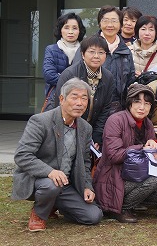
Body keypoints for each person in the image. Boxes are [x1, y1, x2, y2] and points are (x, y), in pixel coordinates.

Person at [12, 78, 103, 231]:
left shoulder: (85, 128)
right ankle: (39, 214)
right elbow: (22, 155)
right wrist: (50, 172)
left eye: (84, 98)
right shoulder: (40, 121)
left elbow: (85, 162)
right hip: (40, 181)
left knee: (93, 216)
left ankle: (54, 204)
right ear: (62, 99)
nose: (79, 103)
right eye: (74, 97)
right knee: (51, 185)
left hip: (65, 184)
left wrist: (87, 186)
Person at [93, 84, 157, 223]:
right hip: (113, 176)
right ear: (129, 103)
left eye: (147, 103)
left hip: (137, 173)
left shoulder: (147, 123)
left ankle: (133, 203)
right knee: (151, 182)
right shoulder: (116, 120)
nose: (142, 107)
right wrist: (142, 147)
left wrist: (156, 147)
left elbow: (150, 149)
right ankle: (120, 209)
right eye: (137, 102)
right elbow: (114, 156)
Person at [46, 35, 114, 149]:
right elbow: (60, 105)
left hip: (92, 128)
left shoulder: (108, 77)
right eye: (92, 52)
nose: (96, 56)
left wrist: (97, 134)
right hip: (68, 127)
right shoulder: (69, 74)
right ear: (82, 54)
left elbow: (106, 108)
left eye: (101, 52)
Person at [74, 5, 135, 113]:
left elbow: (130, 81)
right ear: (99, 23)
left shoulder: (126, 51)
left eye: (114, 21)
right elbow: (77, 75)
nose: (110, 25)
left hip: (117, 109)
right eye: (105, 21)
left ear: (120, 24)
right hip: (90, 108)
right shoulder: (87, 46)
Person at [42, 12, 86, 105]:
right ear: (60, 30)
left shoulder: (85, 50)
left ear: (79, 31)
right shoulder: (51, 49)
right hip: (56, 98)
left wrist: (61, 77)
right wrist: (75, 83)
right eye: (66, 27)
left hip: (79, 100)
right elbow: (49, 75)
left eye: (74, 28)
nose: (70, 32)